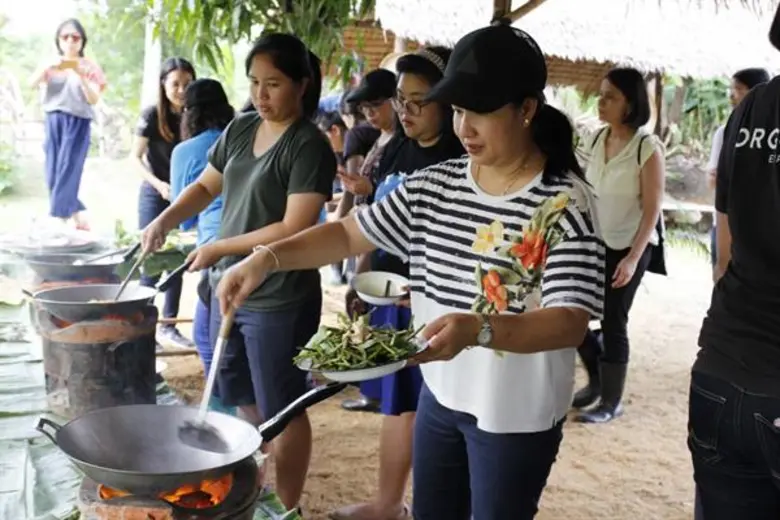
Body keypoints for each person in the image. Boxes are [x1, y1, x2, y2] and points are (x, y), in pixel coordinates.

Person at [216, 22, 605, 520]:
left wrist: (479, 329)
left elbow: (570, 320)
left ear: (527, 109)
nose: (465, 128)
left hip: (515, 416)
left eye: (480, 111)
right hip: (441, 398)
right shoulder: (436, 184)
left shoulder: (565, 201)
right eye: (459, 110)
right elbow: (348, 233)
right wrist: (265, 259)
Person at [141, 33, 336, 511]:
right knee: (233, 390)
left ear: (302, 85)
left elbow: (294, 225)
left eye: (273, 84)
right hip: (225, 286)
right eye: (253, 83)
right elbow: (207, 187)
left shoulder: (308, 145)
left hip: (279, 297)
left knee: (283, 407)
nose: (260, 95)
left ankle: (287, 506)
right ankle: (262, 462)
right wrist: (165, 219)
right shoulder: (242, 129)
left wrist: (218, 246)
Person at [330, 46, 464, 520]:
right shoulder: (398, 149)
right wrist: (360, 276)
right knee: (396, 403)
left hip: (433, 309)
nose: (406, 112)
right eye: (401, 101)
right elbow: (372, 222)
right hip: (389, 294)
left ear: (450, 103)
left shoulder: (459, 159)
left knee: (432, 413)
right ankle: (388, 505)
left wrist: (423, 294)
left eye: (418, 102)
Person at [570, 67, 665, 424]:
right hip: (593, 245)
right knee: (575, 315)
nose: (601, 102)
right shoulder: (594, 140)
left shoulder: (646, 146)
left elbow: (653, 208)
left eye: (610, 96)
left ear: (630, 103)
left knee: (613, 321)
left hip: (630, 247)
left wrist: (632, 259)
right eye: (601, 95)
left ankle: (611, 401)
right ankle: (596, 382)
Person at [169, 78, 234, 413]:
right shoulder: (242, 138)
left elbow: (184, 219)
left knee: (210, 342)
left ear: (188, 114)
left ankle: (220, 414)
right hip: (258, 246)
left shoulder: (187, 150)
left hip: (216, 252)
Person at [132, 57, 196, 349]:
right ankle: (142, 325)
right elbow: (134, 158)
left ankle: (169, 326)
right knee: (150, 257)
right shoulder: (150, 115)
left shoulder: (195, 116)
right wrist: (158, 185)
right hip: (154, 191)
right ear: (163, 85)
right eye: (175, 84)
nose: (181, 89)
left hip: (183, 195)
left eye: (187, 84)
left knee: (177, 258)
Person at [31, 18, 106, 230]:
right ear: (58, 40)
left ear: (82, 41)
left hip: (78, 121)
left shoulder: (89, 67)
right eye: (65, 37)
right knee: (53, 172)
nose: (70, 41)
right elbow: (32, 83)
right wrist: (47, 67)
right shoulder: (51, 64)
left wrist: (81, 76)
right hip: (54, 119)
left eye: (75, 37)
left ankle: (59, 219)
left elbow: (93, 98)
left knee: (68, 170)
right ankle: (77, 215)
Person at [705, 68, 769, 267]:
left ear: (755, 93)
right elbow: (713, 181)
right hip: (725, 226)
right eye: (731, 89)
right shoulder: (725, 133)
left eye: (738, 89)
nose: (731, 95)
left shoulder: (770, 133)